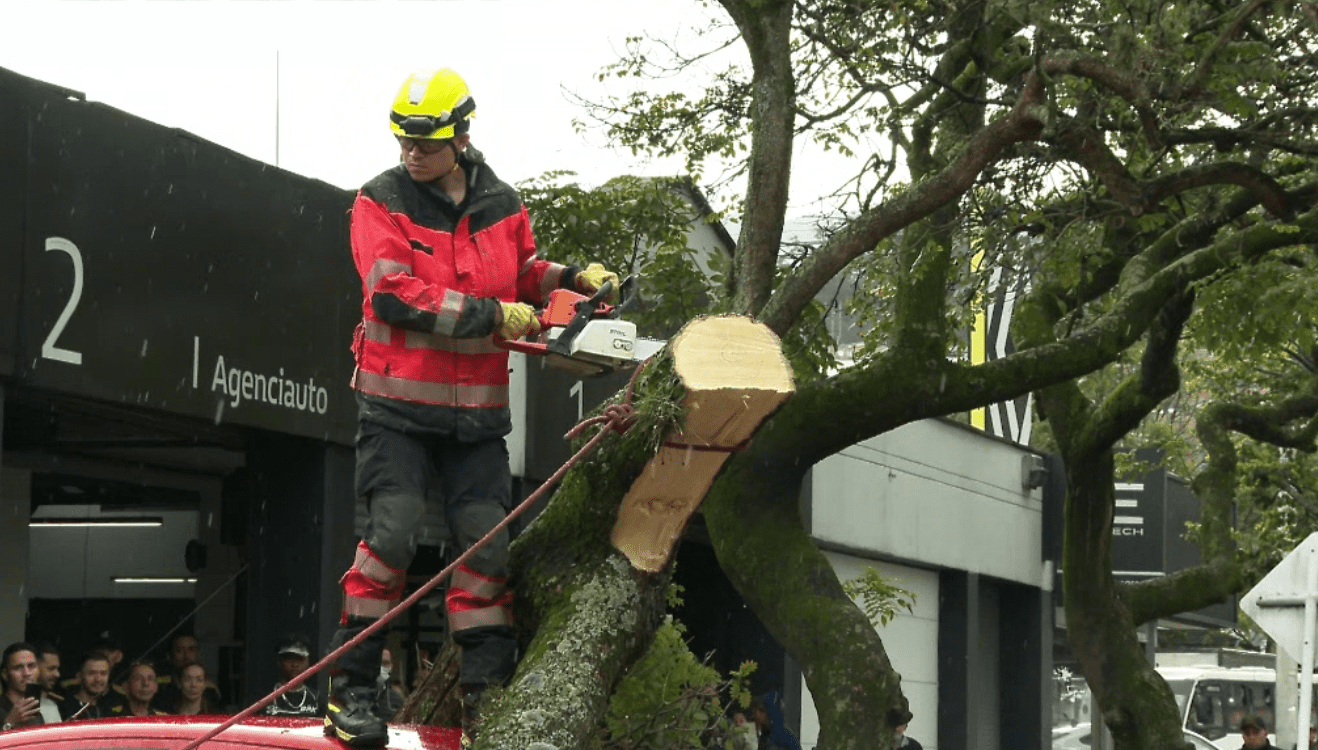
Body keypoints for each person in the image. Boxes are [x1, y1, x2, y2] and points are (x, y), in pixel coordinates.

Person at [324, 66, 621, 749]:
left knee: (487, 549)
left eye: (426, 141)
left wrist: (574, 278)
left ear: (461, 134)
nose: (412, 153)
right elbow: (393, 296)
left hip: (477, 417)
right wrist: (493, 314)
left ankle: (487, 700)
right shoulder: (380, 201)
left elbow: (521, 273)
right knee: (391, 538)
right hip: (396, 407)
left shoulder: (502, 203)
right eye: (404, 140)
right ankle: (352, 692)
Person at [264, 634, 320, 718]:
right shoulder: (263, 700)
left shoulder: (317, 699)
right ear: (279, 661)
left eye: (300, 658)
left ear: (308, 662)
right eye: (289, 658)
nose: (295, 664)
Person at [58, 652, 123, 721]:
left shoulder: (113, 705)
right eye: (92, 673)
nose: (98, 679)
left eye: (103, 673)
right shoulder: (65, 707)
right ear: (79, 676)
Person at [0, 643, 43, 731]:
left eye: (31, 666)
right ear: (5, 674)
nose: (26, 673)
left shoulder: (35, 711)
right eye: (18, 668)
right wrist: (9, 723)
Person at [32, 643, 62, 724]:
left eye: (57, 669)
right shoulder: (14, 707)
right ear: (34, 668)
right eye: (51, 668)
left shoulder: (51, 704)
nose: (57, 674)